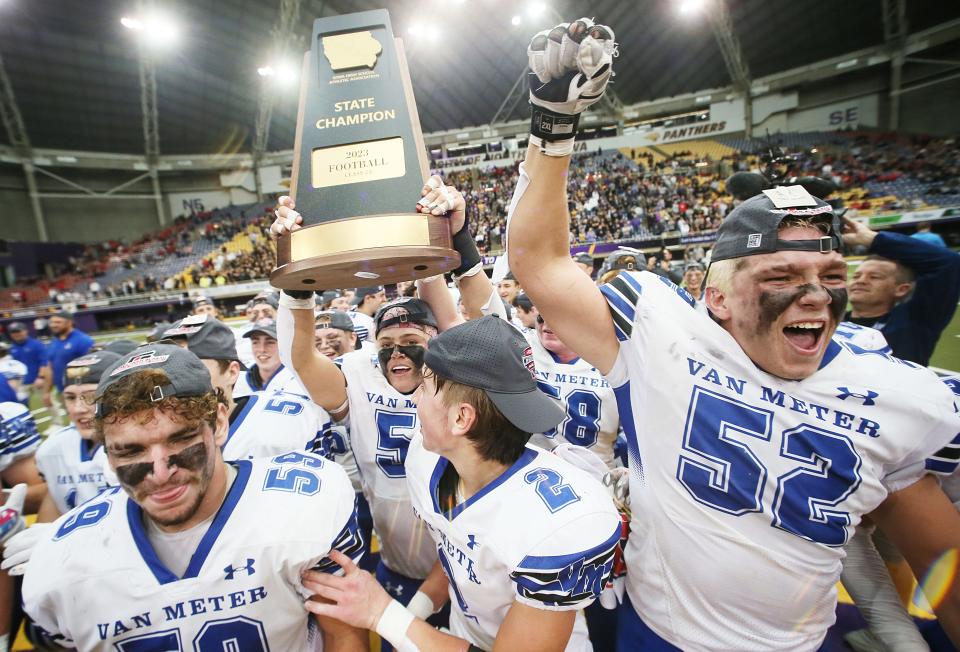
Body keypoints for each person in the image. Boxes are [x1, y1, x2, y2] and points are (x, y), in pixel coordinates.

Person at [506, 17, 960, 650]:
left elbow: (946, 566)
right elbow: (541, 262)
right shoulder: (660, 336)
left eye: (831, 273)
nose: (815, 294)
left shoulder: (894, 391)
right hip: (657, 632)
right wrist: (553, 126)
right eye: (782, 274)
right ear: (715, 296)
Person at [300, 316, 621, 651]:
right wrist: (419, 609)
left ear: (461, 418)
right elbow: (460, 541)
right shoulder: (428, 460)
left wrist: (385, 616)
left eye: (424, 387)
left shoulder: (558, 524)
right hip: (460, 636)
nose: (414, 399)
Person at [20, 344, 367, 651]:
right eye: (130, 451)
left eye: (179, 439)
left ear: (218, 423)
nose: (159, 471)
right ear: (107, 454)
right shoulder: (64, 558)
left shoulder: (300, 503)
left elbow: (342, 633)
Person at [162, 315, 329, 462]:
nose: (173, 378)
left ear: (232, 372)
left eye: (191, 366)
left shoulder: (279, 426)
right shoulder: (152, 436)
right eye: (164, 369)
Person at [845, 218, 960, 365]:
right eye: (856, 275)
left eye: (875, 277)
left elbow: (949, 264)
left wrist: (873, 239)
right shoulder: (835, 321)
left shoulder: (916, 321)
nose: (860, 281)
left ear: (901, 289)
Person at [32, 352, 120, 519]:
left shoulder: (142, 445)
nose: (78, 409)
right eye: (70, 397)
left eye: (92, 397)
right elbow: (53, 501)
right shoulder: (51, 449)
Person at [44, 311, 95, 410]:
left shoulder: (83, 340)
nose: (53, 325)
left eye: (58, 322)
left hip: (81, 390)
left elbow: (92, 367)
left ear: (69, 322)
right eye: (52, 322)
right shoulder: (54, 342)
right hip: (62, 390)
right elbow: (50, 368)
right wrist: (47, 392)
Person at [7, 323, 50, 404]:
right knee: (21, 405)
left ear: (25, 331)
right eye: (13, 332)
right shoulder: (11, 348)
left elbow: (44, 362)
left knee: (49, 403)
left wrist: (41, 377)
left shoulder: (36, 344)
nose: (16, 334)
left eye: (18, 331)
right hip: (21, 383)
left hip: (38, 380)